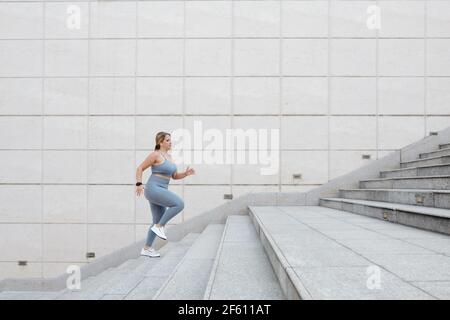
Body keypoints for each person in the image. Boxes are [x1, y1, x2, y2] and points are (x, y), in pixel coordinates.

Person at [135, 131, 195, 257]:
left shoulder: (170, 157)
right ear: (160, 142)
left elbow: (174, 176)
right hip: (153, 188)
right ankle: (160, 226)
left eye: (170, 140)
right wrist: (139, 184)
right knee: (179, 204)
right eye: (167, 140)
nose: (170, 142)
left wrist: (186, 173)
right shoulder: (155, 155)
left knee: (156, 219)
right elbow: (140, 168)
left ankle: (147, 248)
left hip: (162, 189)